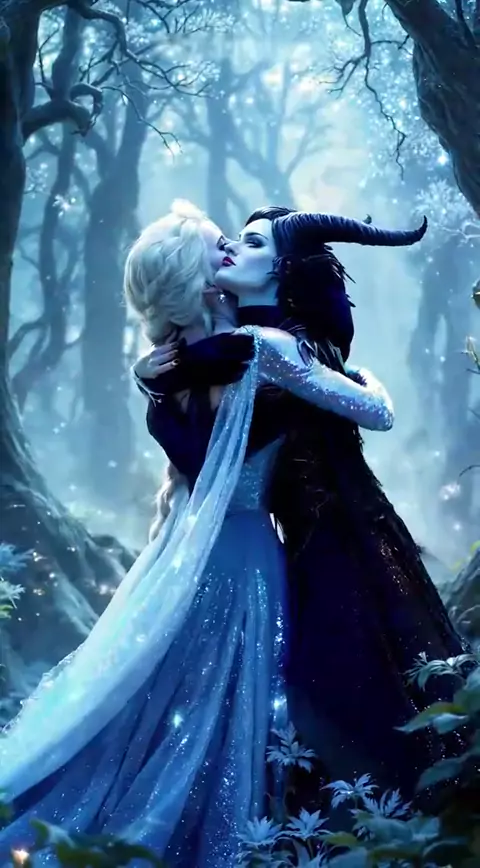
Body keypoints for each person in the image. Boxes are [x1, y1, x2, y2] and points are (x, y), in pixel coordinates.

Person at [0, 203, 396, 867]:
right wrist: (366, 376)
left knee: (163, 691)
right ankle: (207, 828)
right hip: (242, 552)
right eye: (218, 248)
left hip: (179, 554)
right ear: (199, 280)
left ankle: (135, 813)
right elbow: (374, 412)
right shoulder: (257, 351)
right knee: (220, 698)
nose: (230, 252)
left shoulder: (167, 371)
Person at [138, 205, 468, 806]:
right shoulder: (265, 342)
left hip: (334, 535)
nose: (233, 248)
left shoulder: (264, 344)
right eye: (229, 242)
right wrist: (155, 378)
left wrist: (153, 377)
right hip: (309, 535)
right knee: (342, 676)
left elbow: (376, 412)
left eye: (250, 243)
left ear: (282, 269)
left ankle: (379, 807)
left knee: (352, 676)